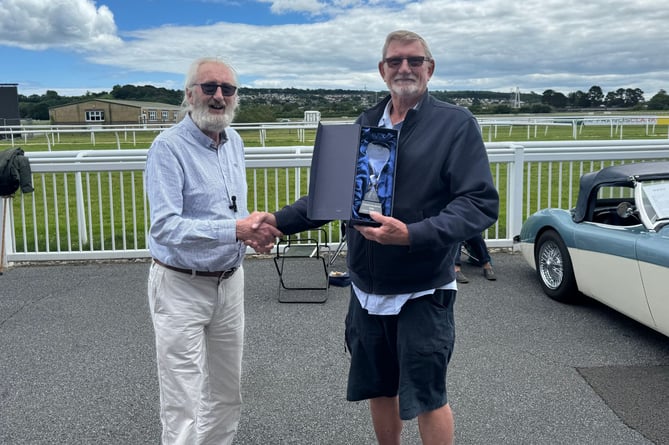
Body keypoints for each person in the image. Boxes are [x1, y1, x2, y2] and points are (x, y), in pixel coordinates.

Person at [255, 30, 499, 445]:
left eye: (414, 60)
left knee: (426, 395)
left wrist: (412, 235)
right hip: (366, 288)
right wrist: (275, 220)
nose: (405, 68)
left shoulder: (455, 124)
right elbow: (330, 196)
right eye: (395, 61)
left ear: (430, 68)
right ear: (382, 70)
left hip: (423, 288)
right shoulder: (366, 123)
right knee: (380, 388)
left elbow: (478, 204)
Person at [145, 57, 281, 445]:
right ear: (189, 95)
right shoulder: (167, 148)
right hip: (180, 286)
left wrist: (250, 235)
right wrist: (236, 229)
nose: (219, 96)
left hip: (229, 282)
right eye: (209, 87)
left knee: (226, 391)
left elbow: (231, 213)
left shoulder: (233, 141)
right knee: (182, 399)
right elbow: (165, 227)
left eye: (228, 89)